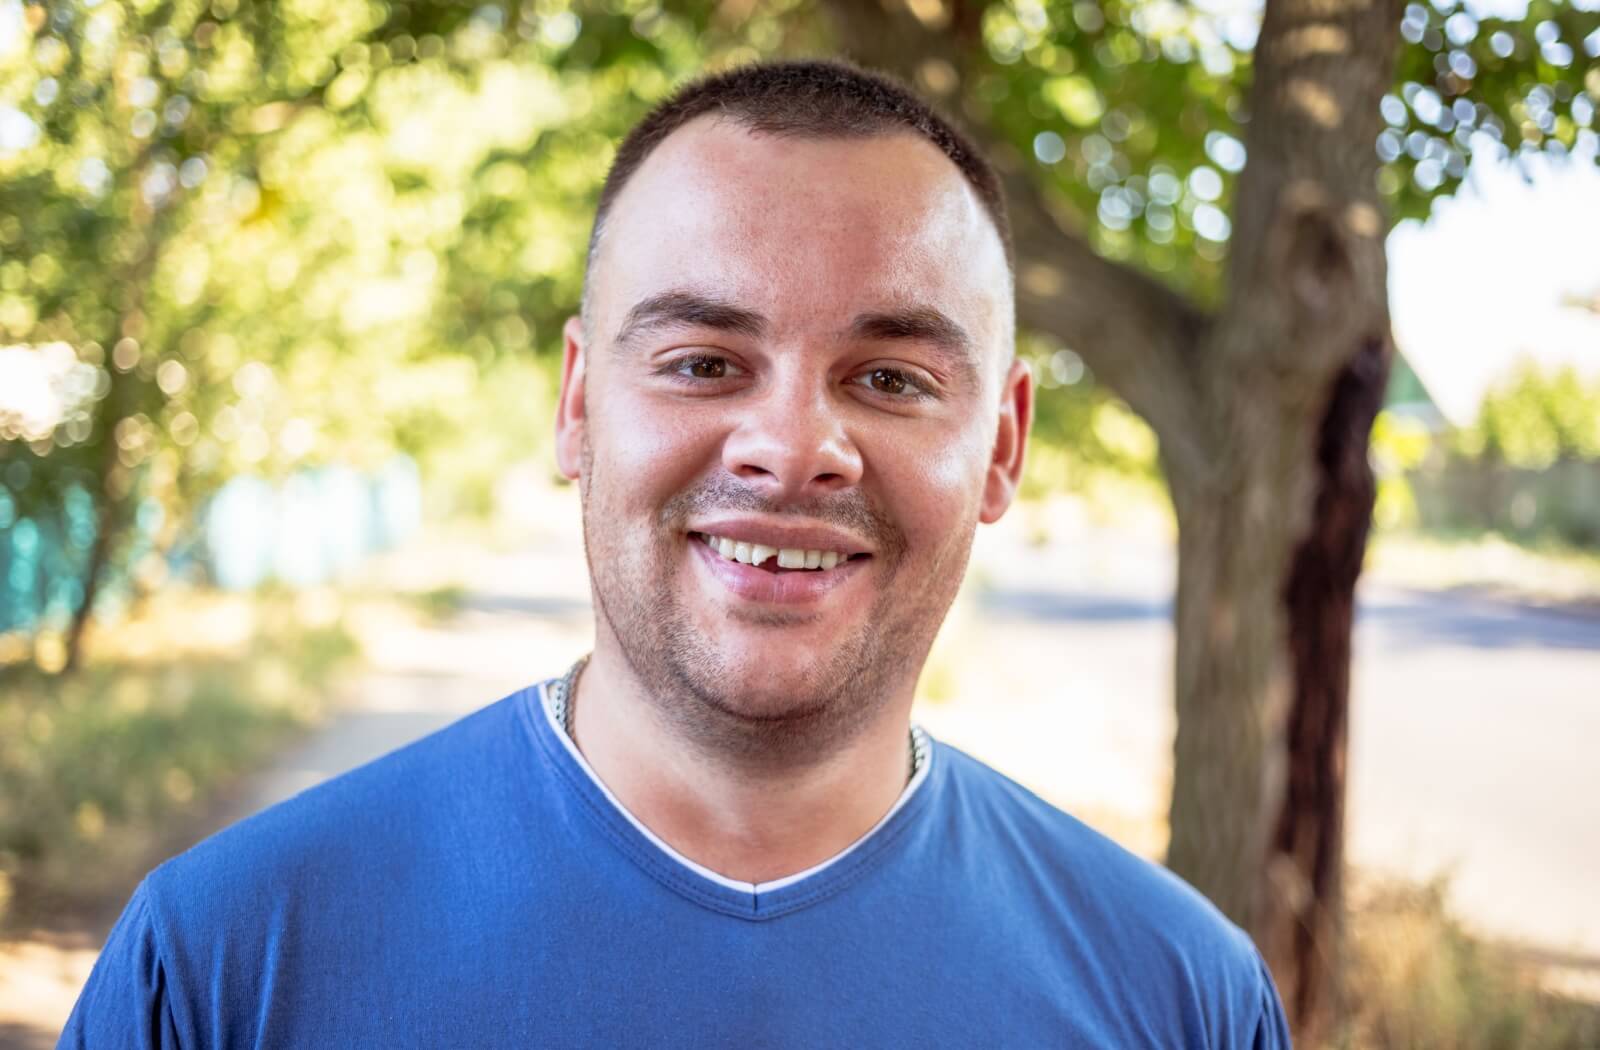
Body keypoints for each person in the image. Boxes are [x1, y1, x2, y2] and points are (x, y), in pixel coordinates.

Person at [62, 59, 1291, 1048]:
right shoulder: (228, 962)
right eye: (704, 361)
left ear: (1003, 444)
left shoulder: (1179, 998)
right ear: (579, 407)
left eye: (890, 377)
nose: (792, 446)